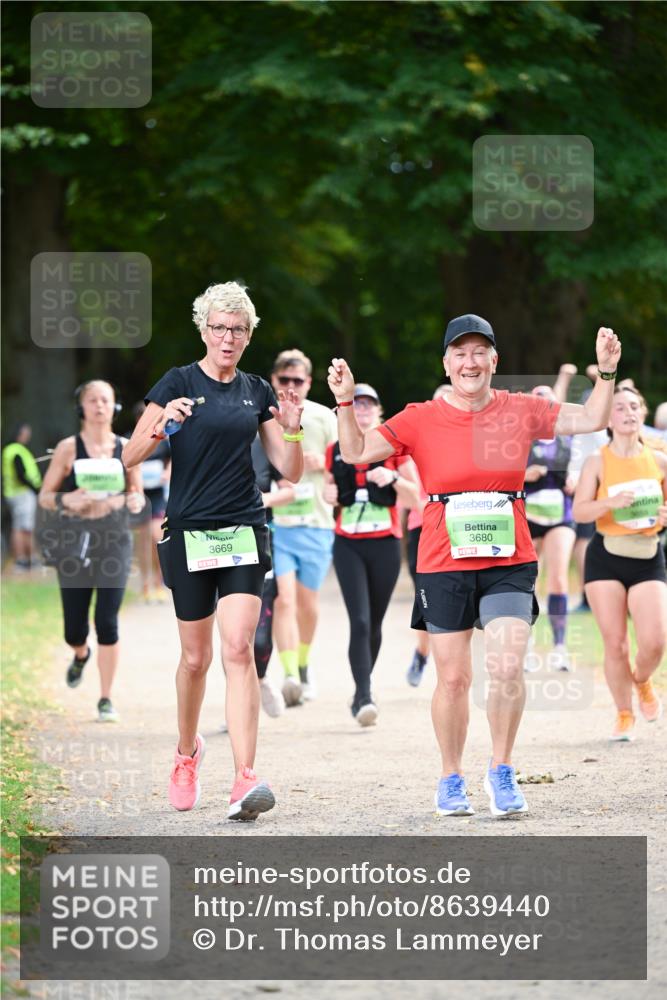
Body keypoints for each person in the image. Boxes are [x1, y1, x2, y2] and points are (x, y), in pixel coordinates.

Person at [328, 314, 621, 818]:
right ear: (446, 363)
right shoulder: (419, 417)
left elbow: (592, 419)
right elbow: (355, 451)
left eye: (479, 351)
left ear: (493, 361)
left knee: (506, 665)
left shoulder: (524, 408)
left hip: (508, 556)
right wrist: (344, 402)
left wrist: (609, 374)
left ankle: (502, 769)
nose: (470, 361)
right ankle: (450, 776)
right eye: (459, 353)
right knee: (454, 678)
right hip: (443, 558)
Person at [123, 282, 303, 821]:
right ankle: (186, 752)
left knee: (239, 648)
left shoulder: (255, 390)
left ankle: (245, 777)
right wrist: (161, 423)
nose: (228, 337)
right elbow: (130, 455)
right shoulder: (177, 381)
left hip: (244, 529)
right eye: (220, 327)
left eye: (239, 329)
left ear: (249, 337)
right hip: (190, 532)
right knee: (196, 658)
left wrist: (292, 433)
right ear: (203, 329)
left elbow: (290, 471)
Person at [38, 382, 144, 722]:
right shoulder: (69, 449)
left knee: (107, 621)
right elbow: (45, 496)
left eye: (105, 400)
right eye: (92, 400)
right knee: (74, 628)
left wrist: (130, 499)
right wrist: (68, 499)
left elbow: (138, 495)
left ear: (114, 407)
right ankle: (80, 654)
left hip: (114, 541)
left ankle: (105, 698)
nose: (99, 405)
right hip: (75, 542)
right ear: (81, 407)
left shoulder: (127, 448)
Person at [573, 384, 667, 741]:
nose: (628, 413)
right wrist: (608, 504)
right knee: (615, 644)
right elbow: (580, 510)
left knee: (655, 642)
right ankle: (624, 713)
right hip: (606, 557)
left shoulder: (659, 460)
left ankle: (642, 680)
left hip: (647, 557)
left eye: (633, 407)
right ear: (608, 419)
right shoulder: (596, 461)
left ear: (643, 413)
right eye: (619, 408)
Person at [323, 383, 418, 725]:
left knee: (374, 623)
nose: (361, 412)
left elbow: (415, 498)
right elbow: (328, 493)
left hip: (386, 545)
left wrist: (391, 477)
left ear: (378, 412)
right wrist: (329, 493)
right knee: (359, 621)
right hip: (347, 543)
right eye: (356, 406)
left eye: (367, 406)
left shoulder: (395, 450)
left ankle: (362, 688)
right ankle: (364, 695)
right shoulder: (334, 450)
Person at [269, 349, 338, 705]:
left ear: (309, 383)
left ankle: (304, 663)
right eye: (285, 380)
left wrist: (320, 464)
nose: (292, 386)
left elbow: (344, 464)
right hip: (278, 524)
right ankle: (290, 674)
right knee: (284, 600)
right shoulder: (265, 415)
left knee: (307, 605)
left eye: (298, 380)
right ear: (274, 380)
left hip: (315, 522)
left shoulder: (326, 417)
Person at [523, 386, 576, 672]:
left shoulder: (567, 439)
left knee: (557, 578)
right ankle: (528, 647)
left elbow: (583, 471)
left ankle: (559, 647)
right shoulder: (519, 440)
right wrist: (525, 474)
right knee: (528, 581)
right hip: (528, 515)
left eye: (549, 405)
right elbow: (500, 477)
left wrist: (576, 481)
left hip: (560, 515)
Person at [405, 384, 452, 687]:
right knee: (428, 598)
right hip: (422, 527)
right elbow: (408, 494)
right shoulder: (417, 445)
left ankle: (448, 663)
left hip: (461, 531)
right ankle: (423, 654)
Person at [129, 401, 171, 603]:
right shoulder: (132, 439)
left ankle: (158, 581)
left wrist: (167, 472)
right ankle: (146, 585)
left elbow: (175, 457)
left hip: (157, 496)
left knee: (157, 537)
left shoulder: (163, 438)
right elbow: (127, 462)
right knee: (144, 542)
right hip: (139, 496)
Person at [2, 423, 42, 569]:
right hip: (21, 493)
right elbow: (21, 474)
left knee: (20, 526)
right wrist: (35, 489)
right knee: (25, 527)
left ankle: (24, 559)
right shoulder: (16, 451)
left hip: (15, 493)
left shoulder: (11, 450)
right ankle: (26, 559)